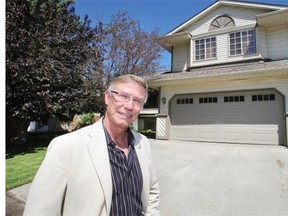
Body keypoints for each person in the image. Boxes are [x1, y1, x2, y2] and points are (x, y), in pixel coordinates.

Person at [24, 74, 160, 216]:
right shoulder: (66, 146)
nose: (129, 106)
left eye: (137, 101)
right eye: (123, 96)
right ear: (107, 97)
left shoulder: (142, 143)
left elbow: (152, 190)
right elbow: (41, 210)